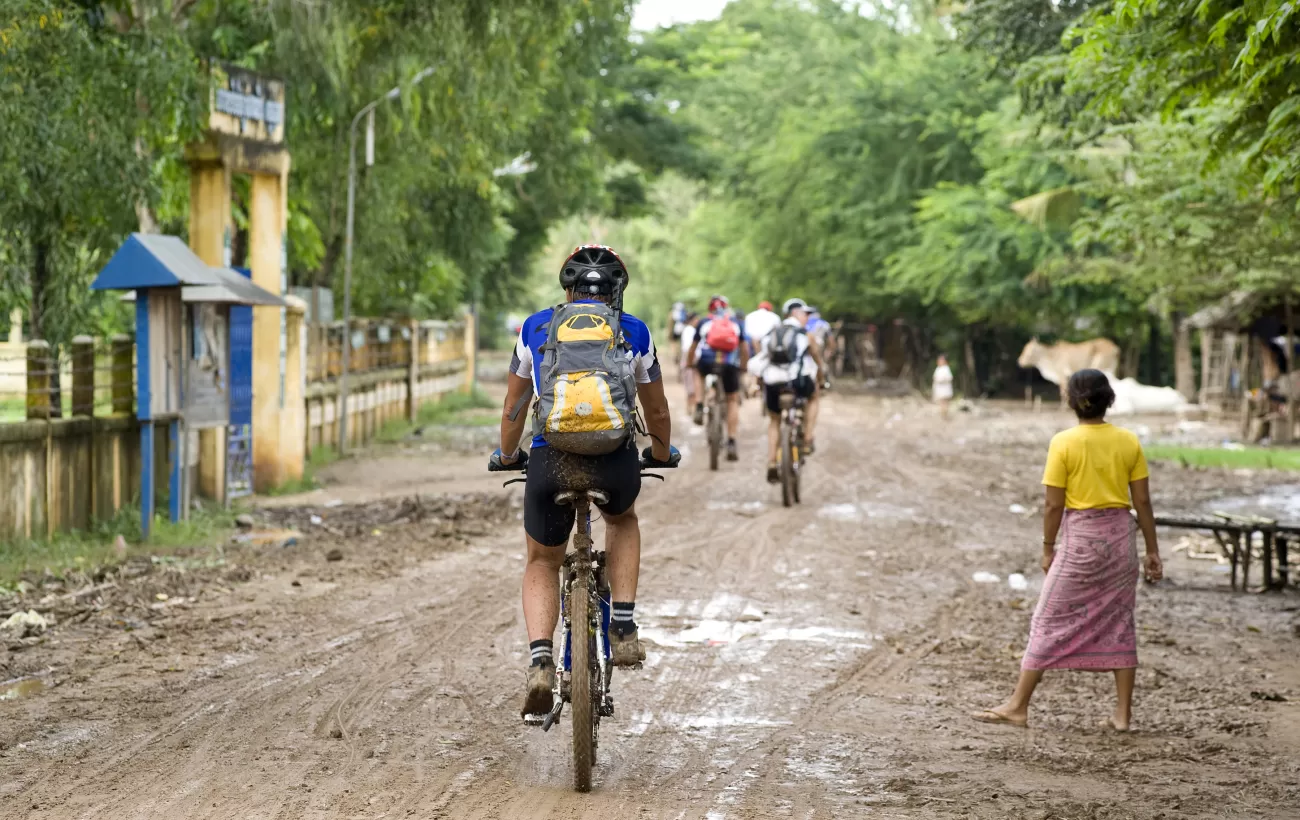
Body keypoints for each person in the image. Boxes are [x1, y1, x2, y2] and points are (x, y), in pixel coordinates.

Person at [493, 244, 680, 718]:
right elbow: (656, 410)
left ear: (567, 287)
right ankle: (622, 626)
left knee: (541, 558)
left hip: (550, 458)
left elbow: (514, 407)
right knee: (622, 518)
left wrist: (508, 454)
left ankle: (540, 660)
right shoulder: (633, 330)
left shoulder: (536, 327)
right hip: (613, 460)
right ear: (617, 289)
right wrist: (660, 451)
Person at [973, 369, 1163, 732]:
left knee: (1047, 619)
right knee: (1121, 621)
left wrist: (1047, 548)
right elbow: (1142, 501)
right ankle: (1122, 717)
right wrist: (1153, 551)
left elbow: (1052, 506)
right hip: (1122, 542)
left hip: (1081, 543)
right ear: (1109, 399)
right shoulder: (1128, 441)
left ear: (1071, 400)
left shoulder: (1064, 443)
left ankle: (1018, 706)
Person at [750, 297, 823, 482]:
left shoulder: (773, 333)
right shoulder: (805, 335)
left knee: (774, 420)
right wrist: (822, 378)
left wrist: (756, 382)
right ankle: (807, 439)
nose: (807, 317)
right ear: (795, 314)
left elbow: (762, 359)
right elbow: (816, 359)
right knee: (814, 396)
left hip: (773, 382)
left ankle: (772, 462)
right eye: (805, 314)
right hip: (796, 381)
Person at [688, 295, 749, 461]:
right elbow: (744, 349)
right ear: (726, 308)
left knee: (697, 372)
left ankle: (699, 405)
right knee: (732, 400)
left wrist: (689, 364)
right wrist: (743, 366)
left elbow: (693, 348)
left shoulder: (703, 322)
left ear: (710, 309)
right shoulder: (735, 323)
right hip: (729, 364)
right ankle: (731, 441)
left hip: (707, 362)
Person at [679, 311, 702, 417]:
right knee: (691, 384)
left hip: (690, 358)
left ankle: (690, 408)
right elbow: (688, 348)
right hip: (691, 359)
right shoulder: (690, 330)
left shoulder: (688, 330)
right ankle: (690, 408)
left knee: (690, 384)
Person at [932, 354, 954, 418]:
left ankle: (945, 414)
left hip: (945, 389)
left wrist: (942, 380)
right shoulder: (938, 369)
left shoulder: (946, 368)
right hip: (939, 389)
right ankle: (943, 414)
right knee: (941, 402)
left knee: (945, 402)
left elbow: (949, 378)